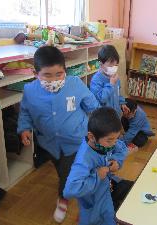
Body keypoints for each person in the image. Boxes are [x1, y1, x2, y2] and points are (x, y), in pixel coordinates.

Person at [17, 46, 99, 223]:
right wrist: (24, 128)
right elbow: (25, 112)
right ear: (35, 73)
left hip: (76, 140)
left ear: (65, 71)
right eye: (47, 75)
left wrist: (99, 124)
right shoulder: (29, 91)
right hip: (49, 144)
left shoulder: (75, 84)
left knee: (66, 174)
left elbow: (92, 105)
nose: (54, 79)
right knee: (61, 168)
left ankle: (63, 199)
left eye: (59, 74)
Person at [63, 107, 128, 225]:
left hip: (105, 195)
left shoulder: (108, 141)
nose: (114, 144)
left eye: (116, 139)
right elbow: (70, 190)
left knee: (109, 218)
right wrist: (97, 176)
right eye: (110, 141)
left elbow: (122, 148)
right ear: (92, 137)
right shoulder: (83, 160)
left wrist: (117, 161)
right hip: (91, 205)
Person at [90, 45, 129, 117]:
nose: (113, 68)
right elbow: (102, 99)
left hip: (116, 114)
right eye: (111, 66)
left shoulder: (115, 77)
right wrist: (111, 85)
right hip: (104, 117)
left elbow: (117, 93)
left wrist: (122, 103)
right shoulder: (96, 80)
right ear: (101, 64)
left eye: (116, 65)